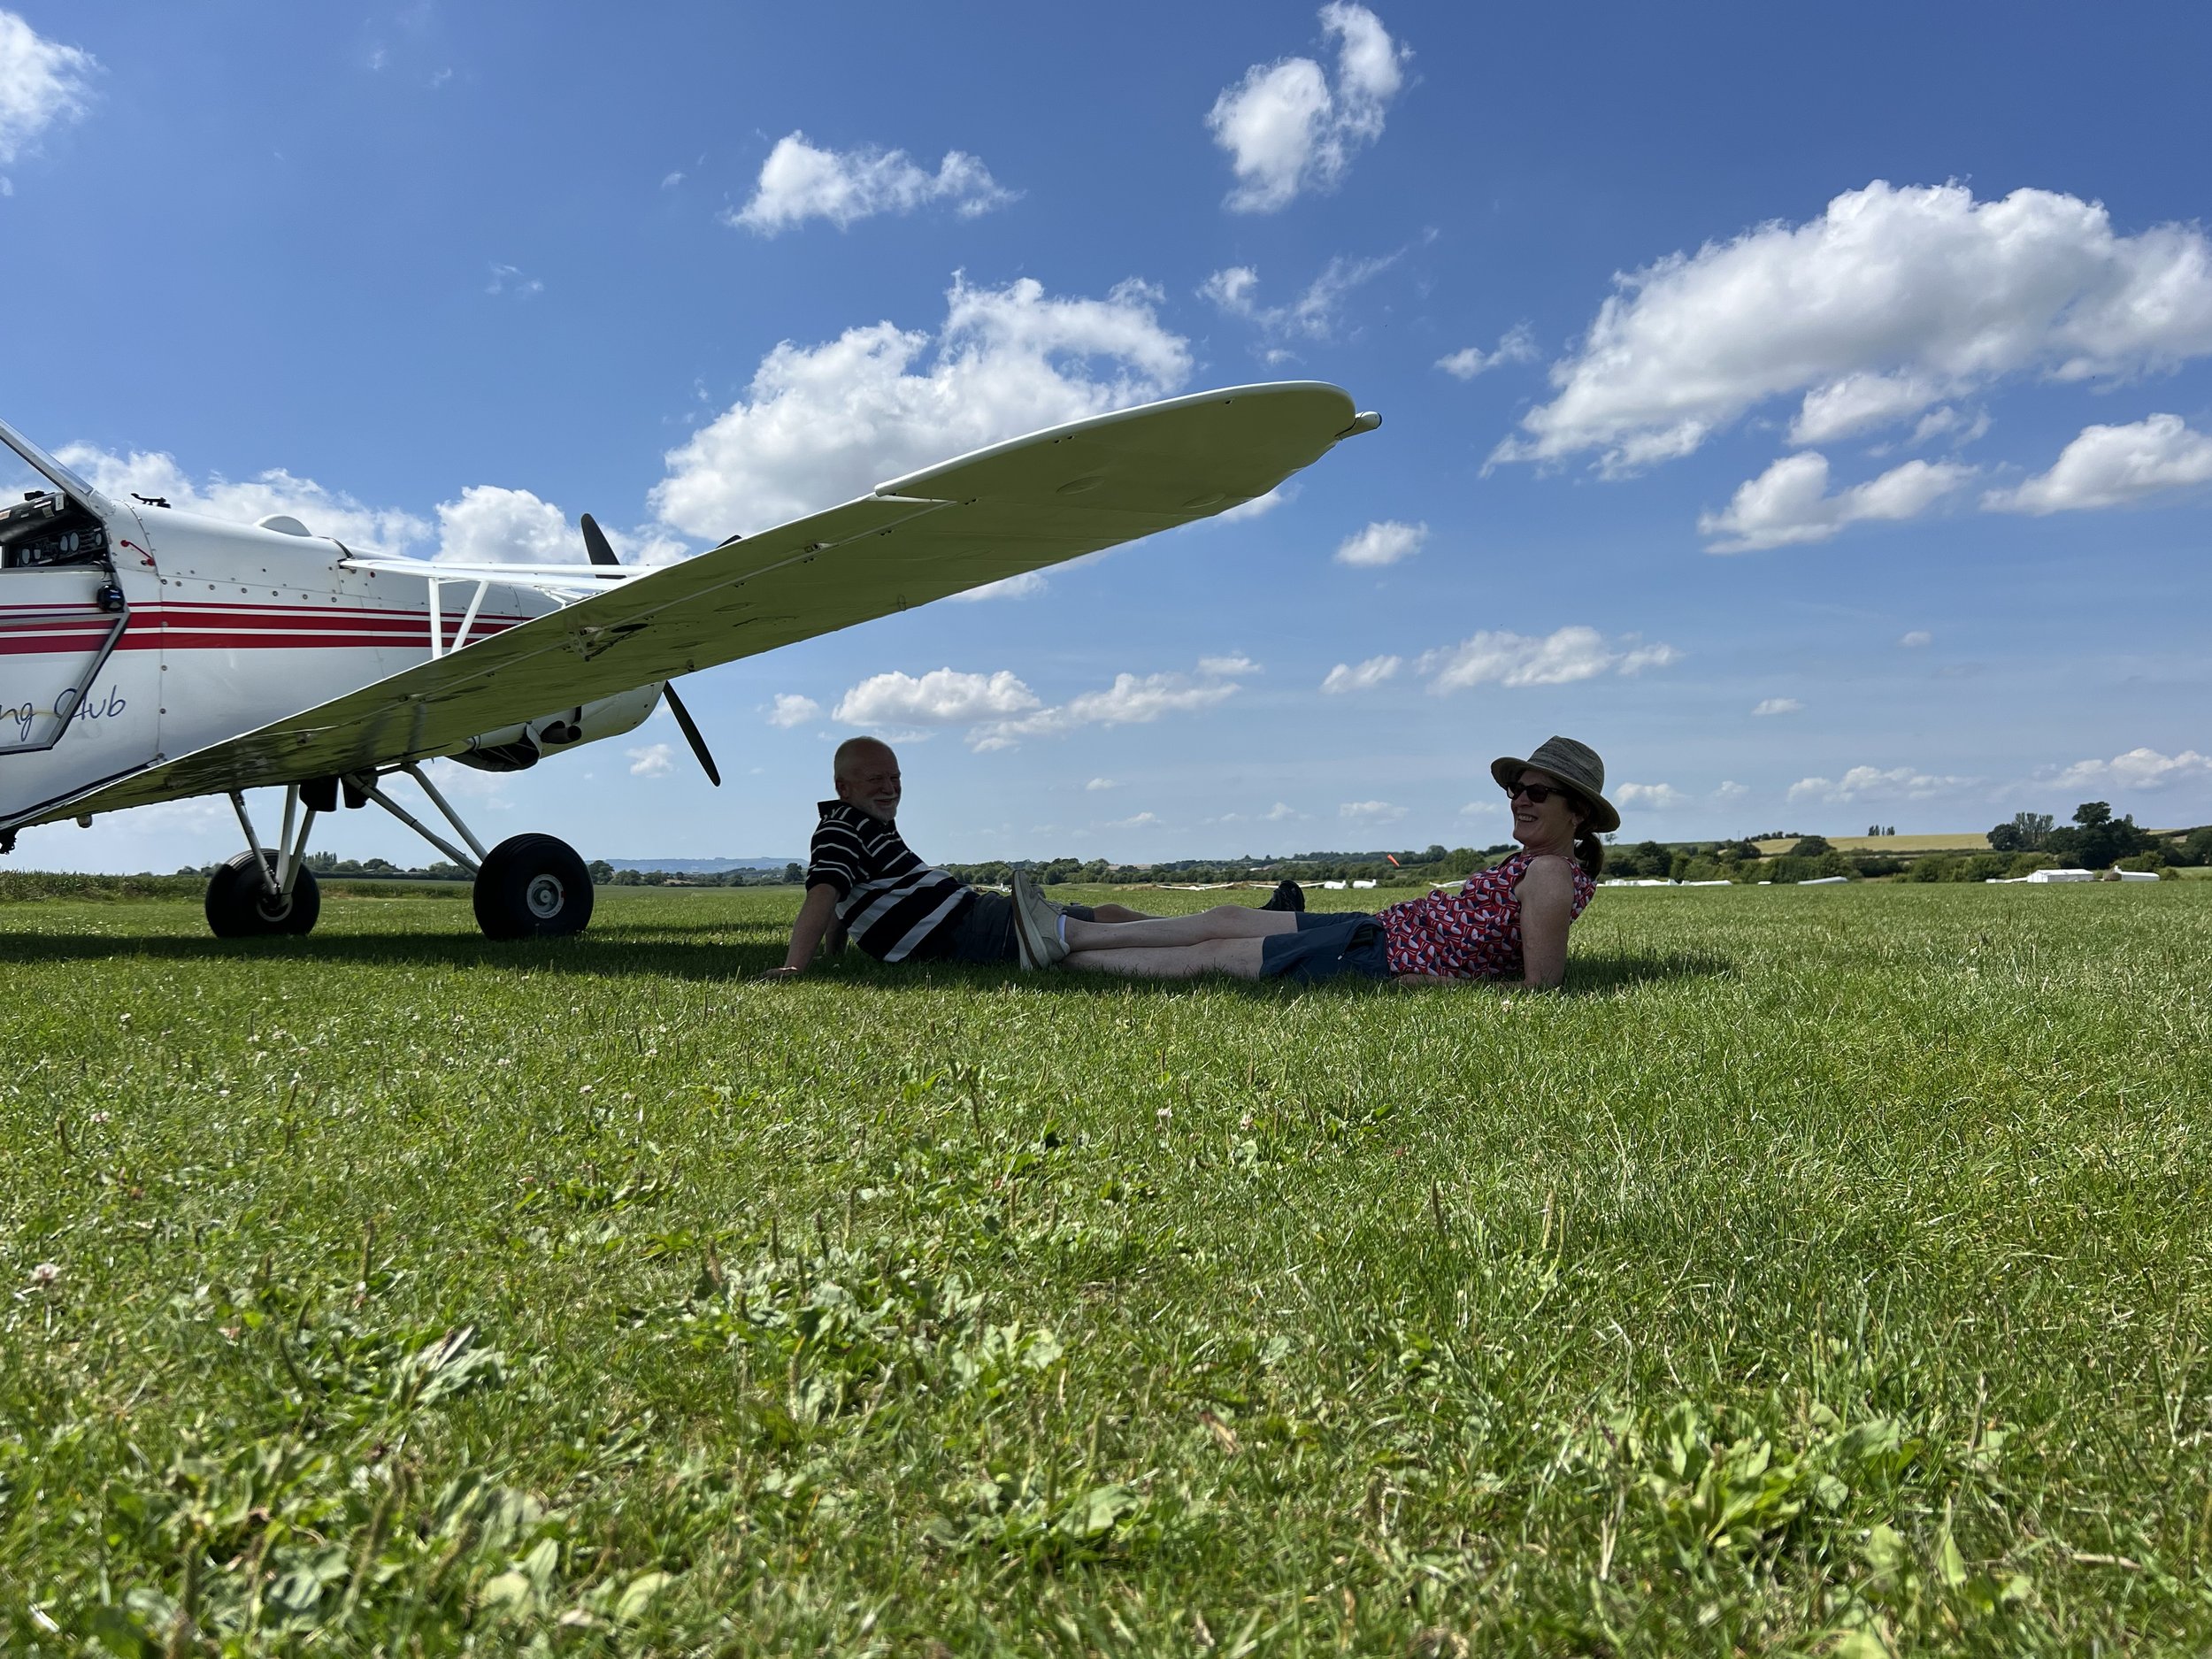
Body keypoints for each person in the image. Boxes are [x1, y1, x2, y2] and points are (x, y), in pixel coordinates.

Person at [1008, 736, 1616, 989]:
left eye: (1538, 792)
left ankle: (1061, 949)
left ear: (1578, 813)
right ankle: (1066, 931)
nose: (1520, 800)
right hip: (1378, 929)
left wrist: (1433, 983)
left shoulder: (1549, 875)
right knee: (1226, 915)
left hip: (1381, 957)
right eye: (1516, 789)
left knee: (1216, 954)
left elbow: (1541, 987)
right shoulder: (1535, 862)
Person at [764, 736, 1152, 978]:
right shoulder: (841, 828)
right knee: (1099, 929)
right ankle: (1186, 934)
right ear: (843, 787)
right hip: (960, 930)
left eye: (895, 778)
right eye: (875, 779)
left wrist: (834, 955)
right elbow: (824, 894)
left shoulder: (869, 823)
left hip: (968, 918)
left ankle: (1181, 931)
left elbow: (844, 894)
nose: (890, 788)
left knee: (1104, 919)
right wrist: (795, 966)